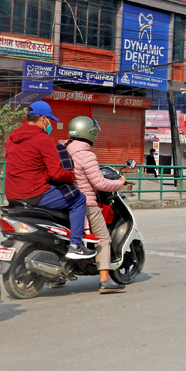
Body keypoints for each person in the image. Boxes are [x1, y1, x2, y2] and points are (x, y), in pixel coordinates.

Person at [4, 101, 95, 260]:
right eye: (49, 121)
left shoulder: (12, 137)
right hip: (34, 193)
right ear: (43, 119)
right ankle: (75, 246)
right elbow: (57, 174)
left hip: (12, 195)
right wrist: (72, 176)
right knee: (79, 199)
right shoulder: (42, 139)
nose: (50, 124)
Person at [65, 116, 127, 294]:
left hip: (65, 200)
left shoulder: (63, 150)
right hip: (87, 203)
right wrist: (120, 183)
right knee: (104, 238)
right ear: (89, 133)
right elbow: (100, 183)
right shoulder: (86, 155)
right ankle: (105, 279)